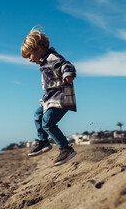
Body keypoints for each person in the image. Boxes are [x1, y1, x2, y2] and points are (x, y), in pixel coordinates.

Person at [21, 25, 77, 166]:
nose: (29, 60)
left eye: (29, 55)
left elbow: (66, 65)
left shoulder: (53, 58)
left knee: (47, 122)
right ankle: (43, 141)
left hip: (61, 97)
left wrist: (68, 74)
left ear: (38, 47)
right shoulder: (44, 61)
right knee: (37, 115)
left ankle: (65, 149)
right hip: (50, 98)